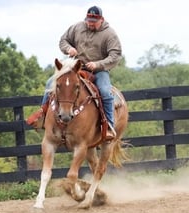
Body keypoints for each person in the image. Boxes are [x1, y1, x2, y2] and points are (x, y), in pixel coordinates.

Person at [26, 5, 122, 140]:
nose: (90, 24)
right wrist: (69, 49)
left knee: (105, 92)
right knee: (50, 83)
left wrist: (97, 64)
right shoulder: (77, 27)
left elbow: (115, 55)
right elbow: (63, 40)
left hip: (99, 70)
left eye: (94, 22)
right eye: (88, 20)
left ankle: (108, 127)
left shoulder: (109, 34)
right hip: (75, 67)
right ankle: (43, 115)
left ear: (101, 20)